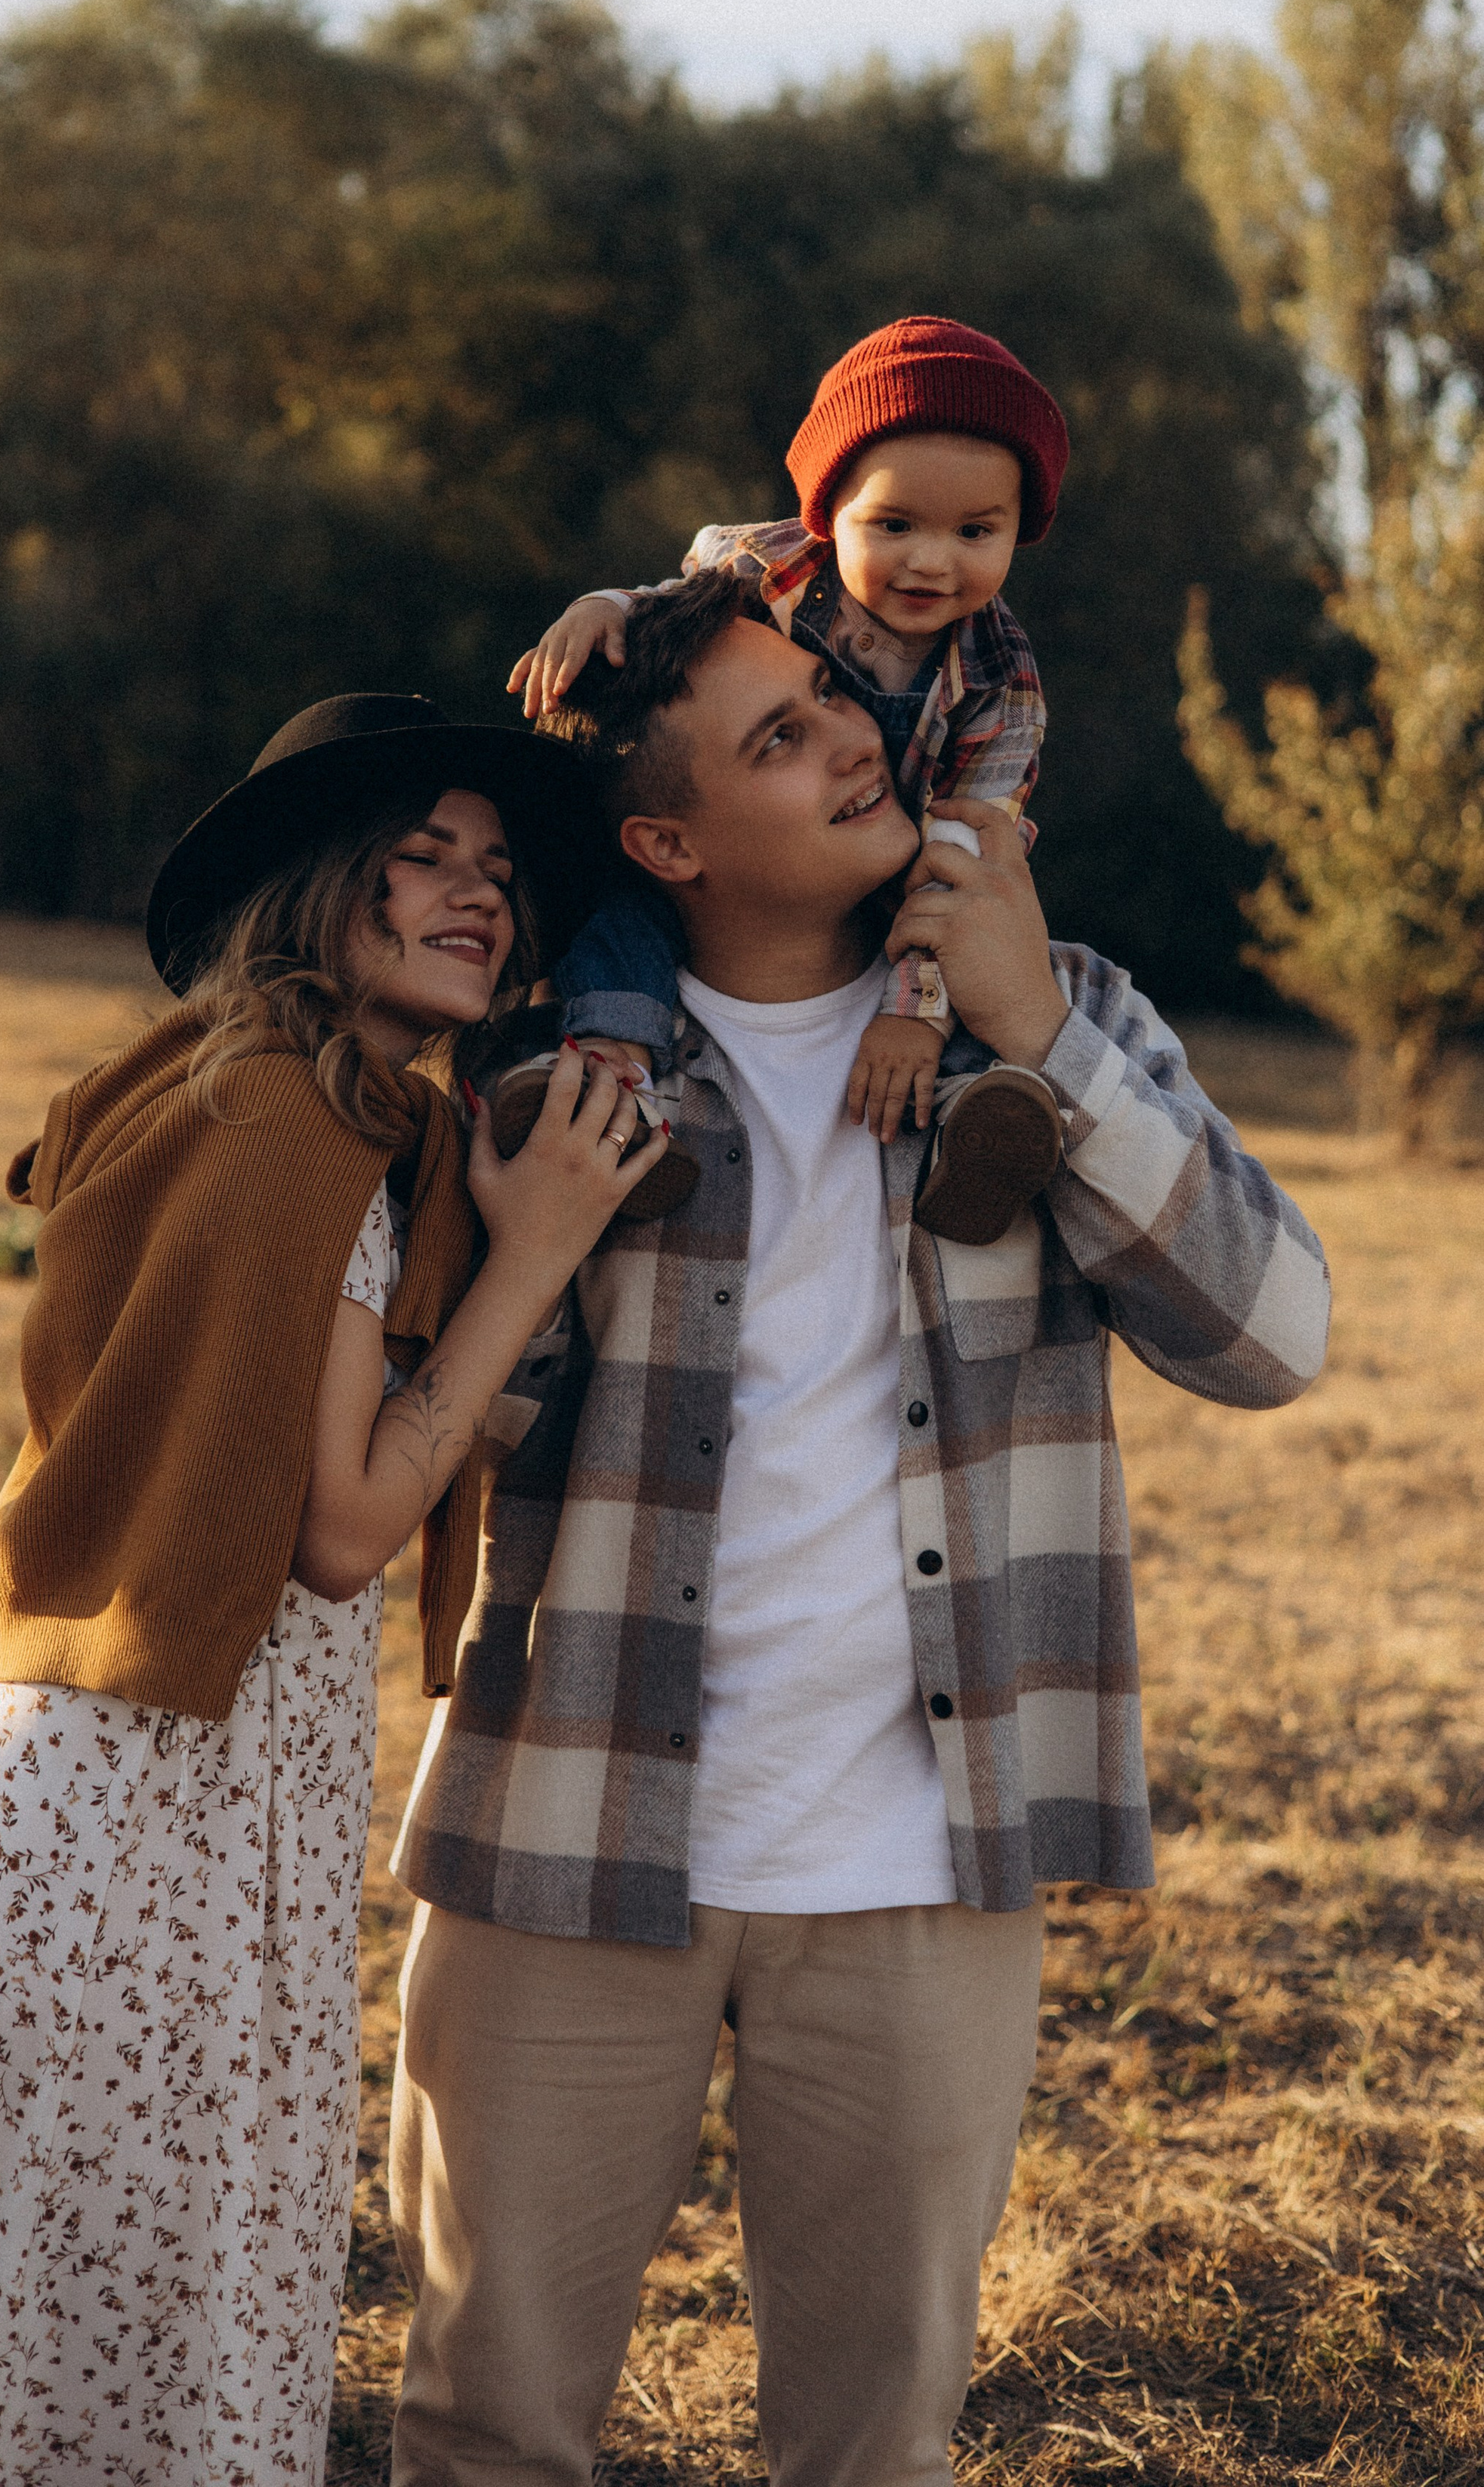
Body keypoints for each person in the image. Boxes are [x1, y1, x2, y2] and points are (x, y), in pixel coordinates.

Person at [0, 693, 665, 2487]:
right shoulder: (290, 1136)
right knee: (68, 2338)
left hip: (129, 1797)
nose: (475, 894)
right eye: (419, 855)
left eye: (498, 871)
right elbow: (343, 1525)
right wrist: (544, 1250)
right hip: (141, 1829)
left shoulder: (257, 1103)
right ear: (314, 886)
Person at [387, 575, 1331, 2487]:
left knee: (873, 2441)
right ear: (665, 840)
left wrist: (1034, 1026)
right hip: (562, 1836)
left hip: (920, 1860)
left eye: (835, 702)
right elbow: (433, 1441)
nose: (851, 739)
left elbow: (1270, 1339)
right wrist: (537, 1241)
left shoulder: (1061, 1021)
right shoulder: (559, 1074)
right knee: (486, 2414)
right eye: (778, 734)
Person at [500, 315, 1066, 1243]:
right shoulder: (775, 570)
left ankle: (980, 1125)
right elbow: (669, 612)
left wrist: (916, 1017)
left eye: (975, 530)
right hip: (753, 846)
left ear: (1017, 532)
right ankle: (609, 1093)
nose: (931, 560)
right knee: (616, 908)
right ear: (826, 513)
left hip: (905, 866)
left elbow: (967, 846)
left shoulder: (1002, 686)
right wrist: (603, 606)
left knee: (971, 945)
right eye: (893, 524)